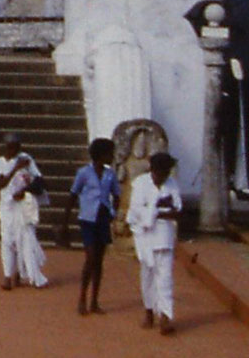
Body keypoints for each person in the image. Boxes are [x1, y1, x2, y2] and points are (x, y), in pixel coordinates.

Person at [58, 138, 120, 316]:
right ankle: (82, 297)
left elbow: (116, 195)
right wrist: (65, 222)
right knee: (90, 258)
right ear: (100, 155)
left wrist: (113, 214)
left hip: (102, 219)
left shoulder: (110, 175)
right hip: (87, 219)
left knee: (99, 261)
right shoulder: (84, 173)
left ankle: (94, 300)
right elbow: (72, 195)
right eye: (110, 154)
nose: (112, 157)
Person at [126, 152, 183, 334]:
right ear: (153, 170)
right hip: (145, 237)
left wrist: (157, 210)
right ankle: (149, 311)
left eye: (167, 172)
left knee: (165, 277)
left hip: (164, 236)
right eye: (161, 172)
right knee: (148, 276)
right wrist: (158, 209)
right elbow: (136, 210)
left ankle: (165, 317)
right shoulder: (141, 184)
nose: (164, 176)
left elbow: (178, 210)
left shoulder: (171, 184)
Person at [0, 133, 49, 290]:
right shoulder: (0, 161)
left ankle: (20, 272)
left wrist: (25, 190)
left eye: (17, 147)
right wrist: (15, 167)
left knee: (23, 237)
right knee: (7, 239)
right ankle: (7, 276)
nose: (15, 151)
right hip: (7, 206)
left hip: (23, 204)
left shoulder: (26, 158)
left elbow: (39, 179)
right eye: (12, 147)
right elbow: (1, 183)